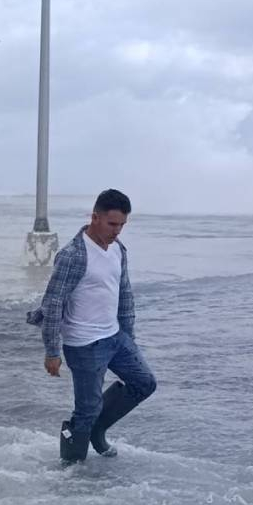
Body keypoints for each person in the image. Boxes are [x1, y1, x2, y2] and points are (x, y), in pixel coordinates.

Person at [27, 189, 157, 465]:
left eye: (122, 224)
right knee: (86, 410)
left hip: (115, 337)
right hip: (84, 344)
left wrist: (128, 336)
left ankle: (98, 430)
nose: (117, 231)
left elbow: (124, 295)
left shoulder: (118, 250)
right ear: (95, 217)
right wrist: (52, 351)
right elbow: (53, 303)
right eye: (112, 224)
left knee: (144, 383)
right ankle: (72, 473)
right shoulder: (73, 255)